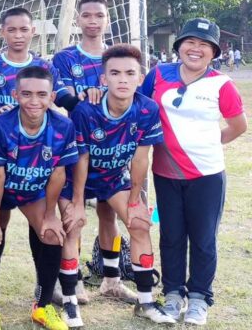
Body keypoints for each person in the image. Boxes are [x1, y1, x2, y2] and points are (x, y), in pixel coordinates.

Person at [57, 45, 175, 326]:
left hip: (113, 177)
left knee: (139, 223)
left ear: (139, 77)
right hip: (77, 178)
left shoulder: (147, 108)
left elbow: (140, 158)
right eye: (115, 73)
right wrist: (76, 202)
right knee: (73, 225)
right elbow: (81, 159)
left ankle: (145, 302)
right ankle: (70, 302)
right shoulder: (86, 110)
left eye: (130, 73)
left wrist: (135, 200)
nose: (123, 79)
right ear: (103, 78)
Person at [139, 18, 246, 325]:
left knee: (203, 239)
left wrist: (208, 145)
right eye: (190, 42)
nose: (196, 49)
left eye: (204, 45)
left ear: (214, 53)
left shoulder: (221, 84)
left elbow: (238, 126)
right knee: (171, 236)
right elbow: (142, 110)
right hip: (166, 173)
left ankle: (199, 297)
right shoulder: (158, 74)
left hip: (207, 175)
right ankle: (173, 294)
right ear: (179, 46)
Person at [0, 66, 80, 330]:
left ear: (51, 97)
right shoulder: (1, 125)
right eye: (26, 94)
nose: (34, 101)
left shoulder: (63, 125)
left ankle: (42, 306)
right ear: (15, 94)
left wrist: (49, 214)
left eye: (41, 94)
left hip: (33, 190)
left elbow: (58, 174)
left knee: (52, 234)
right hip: (0, 190)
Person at [49, 0, 112, 308]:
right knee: (72, 216)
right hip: (76, 148)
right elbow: (60, 96)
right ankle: (70, 282)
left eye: (98, 15)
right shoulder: (63, 58)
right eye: (86, 15)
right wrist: (85, 100)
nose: (92, 21)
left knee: (108, 212)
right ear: (77, 19)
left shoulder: (116, 56)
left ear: (106, 19)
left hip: (112, 148)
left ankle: (112, 279)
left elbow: (129, 96)